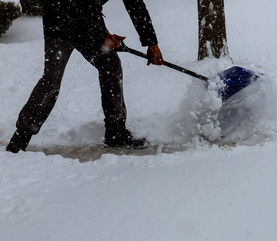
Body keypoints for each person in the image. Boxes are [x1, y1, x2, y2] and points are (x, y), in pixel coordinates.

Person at [6, 0, 164, 153]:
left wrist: (151, 43)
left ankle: (115, 133)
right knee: (51, 80)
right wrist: (101, 36)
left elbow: (135, 4)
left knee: (111, 66)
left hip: (87, 20)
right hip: (58, 19)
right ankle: (20, 138)